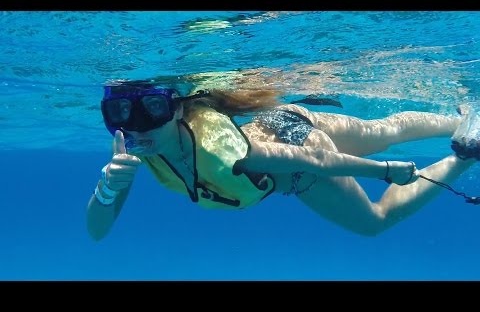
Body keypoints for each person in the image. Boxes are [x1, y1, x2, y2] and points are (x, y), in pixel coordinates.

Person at [86, 76, 480, 241]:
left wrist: (385, 171)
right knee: (385, 130)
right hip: (284, 118)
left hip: (298, 155)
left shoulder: (220, 150)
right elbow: (97, 231)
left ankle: (466, 150)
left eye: (151, 109)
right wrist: (108, 188)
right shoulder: (130, 147)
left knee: (373, 222)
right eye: (119, 113)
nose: (136, 126)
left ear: (175, 109)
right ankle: (465, 117)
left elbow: (313, 162)